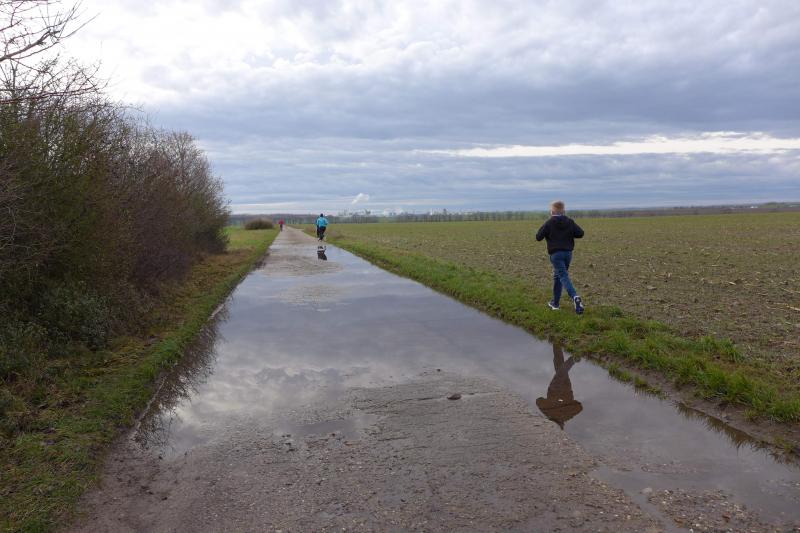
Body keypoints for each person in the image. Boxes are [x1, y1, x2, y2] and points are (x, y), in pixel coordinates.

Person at [535, 200, 585, 314]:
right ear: (563, 211)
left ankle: (575, 297)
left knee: (563, 276)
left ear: (552, 211)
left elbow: (538, 237)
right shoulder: (569, 221)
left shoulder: (549, 222)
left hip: (556, 255)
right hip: (568, 254)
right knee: (558, 276)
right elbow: (580, 233)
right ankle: (555, 304)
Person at [535, 344, 583, 429]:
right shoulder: (551, 413)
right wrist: (565, 402)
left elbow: (539, 401)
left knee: (559, 367)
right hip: (559, 390)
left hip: (561, 390)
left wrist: (564, 402)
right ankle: (573, 358)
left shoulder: (554, 413)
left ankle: (557, 345)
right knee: (560, 372)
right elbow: (579, 407)